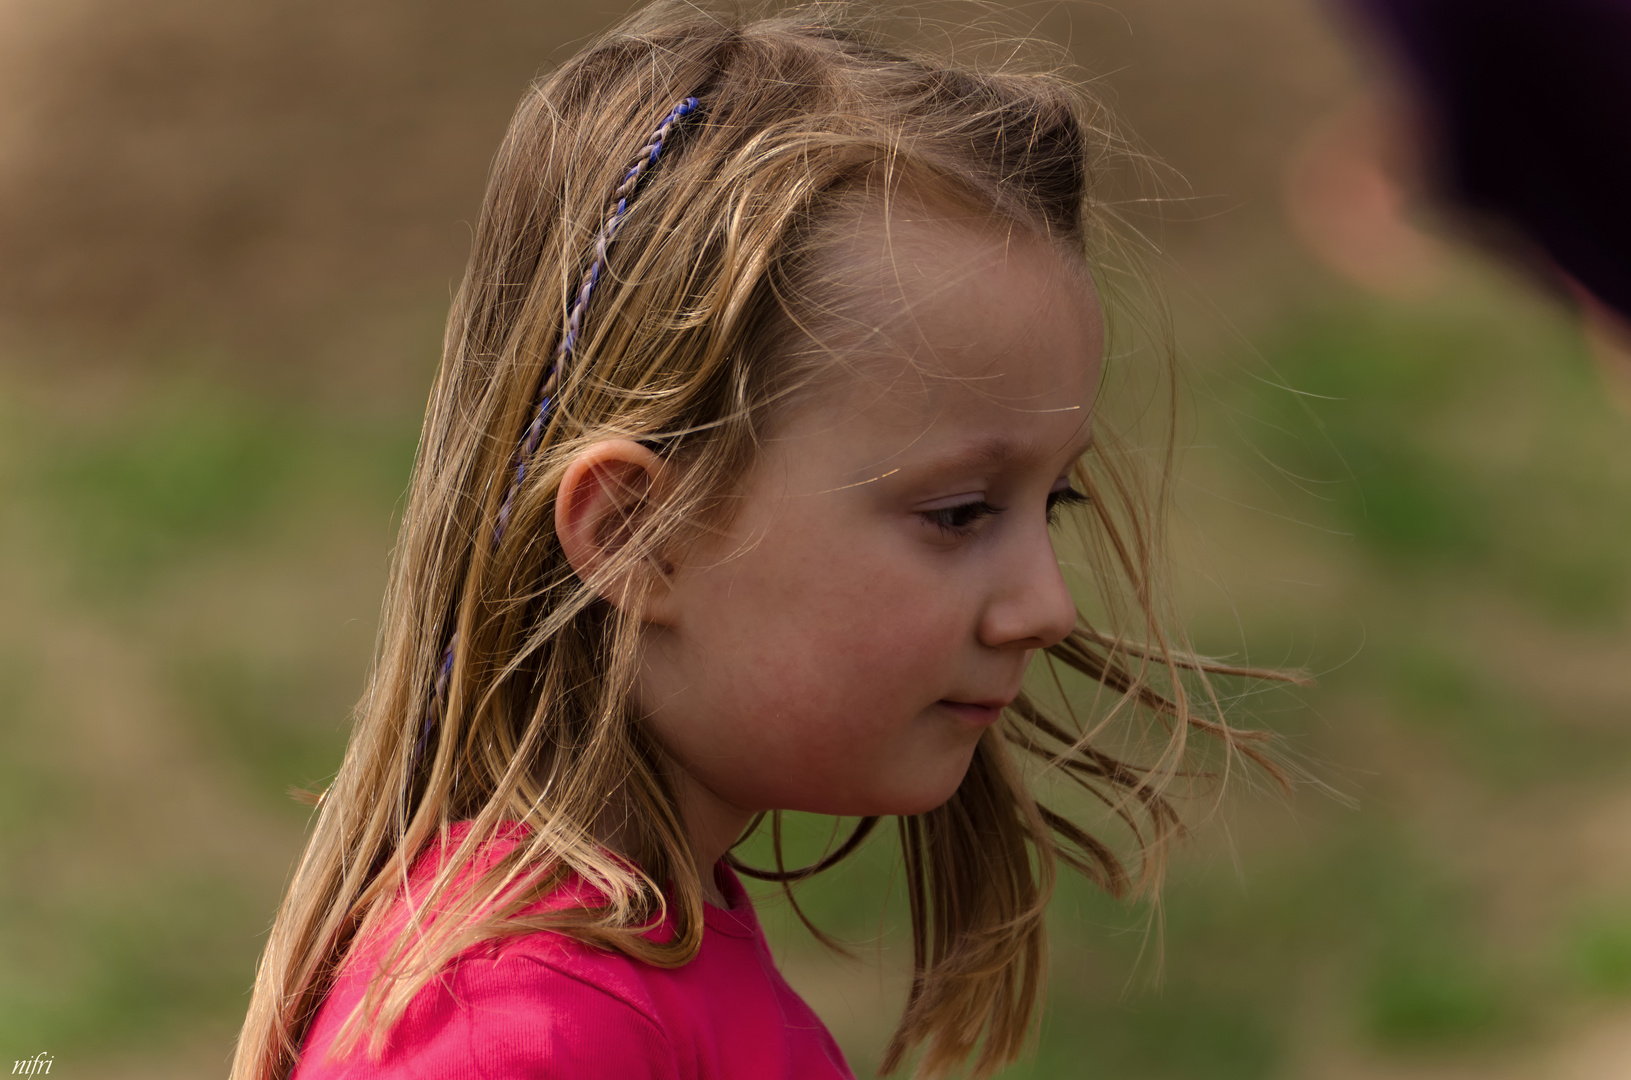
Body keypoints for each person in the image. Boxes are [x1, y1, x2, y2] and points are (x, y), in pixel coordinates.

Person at [230, 4, 1290, 1078]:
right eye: (959, 514)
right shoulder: (519, 1040)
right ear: (639, 534)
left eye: (1049, 505)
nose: (1045, 606)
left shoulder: (646, 948)